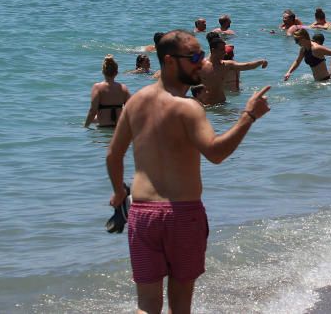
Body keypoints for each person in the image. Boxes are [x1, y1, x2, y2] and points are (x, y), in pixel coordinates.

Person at [106, 30, 270, 314]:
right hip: (182, 214)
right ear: (169, 61)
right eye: (193, 57)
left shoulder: (134, 102)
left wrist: (119, 193)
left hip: (142, 214)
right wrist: (249, 116)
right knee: (180, 306)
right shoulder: (189, 108)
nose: (200, 62)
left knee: (146, 305)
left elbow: (113, 155)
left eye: (200, 56)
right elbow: (216, 153)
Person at [196, 33, 268, 106]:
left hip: (222, 104)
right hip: (206, 106)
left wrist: (260, 62)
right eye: (221, 50)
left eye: (224, 49)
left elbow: (246, 66)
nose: (224, 52)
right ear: (213, 50)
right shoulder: (201, 65)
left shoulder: (226, 65)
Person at [85, 55, 131, 128]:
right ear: (116, 72)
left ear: (103, 71)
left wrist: (85, 126)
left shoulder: (97, 87)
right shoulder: (123, 88)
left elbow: (93, 111)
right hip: (118, 129)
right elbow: (130, 110)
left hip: (103, 130)